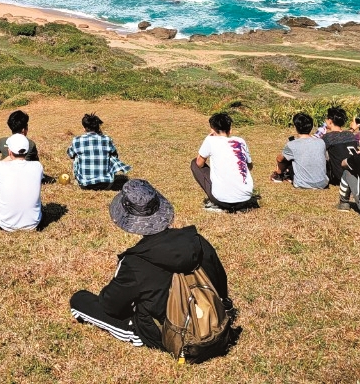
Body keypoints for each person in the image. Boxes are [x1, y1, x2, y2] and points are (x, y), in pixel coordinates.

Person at [70, 179, 230, 350]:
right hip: (213, 319)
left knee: (79, 299)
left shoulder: (134, 262)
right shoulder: (197, 240)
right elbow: (221, 284)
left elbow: (111, 306)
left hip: (169, 333)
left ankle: (139, 333)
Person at [191, 112, 256, 212]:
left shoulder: (210, 140)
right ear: (230, 129)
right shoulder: (240, 141)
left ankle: (217, 203)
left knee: (194, 163)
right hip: (245, 200)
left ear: (212, 129)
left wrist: (207, 138)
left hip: (222, 200)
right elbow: (250, 167)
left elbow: (199, 163)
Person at [0, 133, 44, 231]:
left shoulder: (0, 166)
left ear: (9, 151)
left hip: (5, 224)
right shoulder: (37, 166)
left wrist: (9, 157)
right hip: (34, 223)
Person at [67, 114, 131, 190]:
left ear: (85, 128)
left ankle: (81, 178)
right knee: (110, 156)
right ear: (98, 126)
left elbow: (70, 154)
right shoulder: (107, 139)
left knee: (76, 157)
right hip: (107, 185)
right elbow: (115, 155)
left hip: (84, 185)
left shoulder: (77, 140)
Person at [272, 112, 329, 189]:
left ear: (296, 127)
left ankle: (278, 176)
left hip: (302, 184)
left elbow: (280, 159)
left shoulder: (292, 144)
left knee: (287, 158)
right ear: (311, 127)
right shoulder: (321, 142)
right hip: (323, 183)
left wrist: (278, 169)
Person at [321, 106, 359, 187]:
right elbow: (341, 136)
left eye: (326, 119)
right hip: (355, 174)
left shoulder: (327, 137)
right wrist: (352, 129)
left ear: (330, 121)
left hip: (339, 177)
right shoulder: (350, 135)